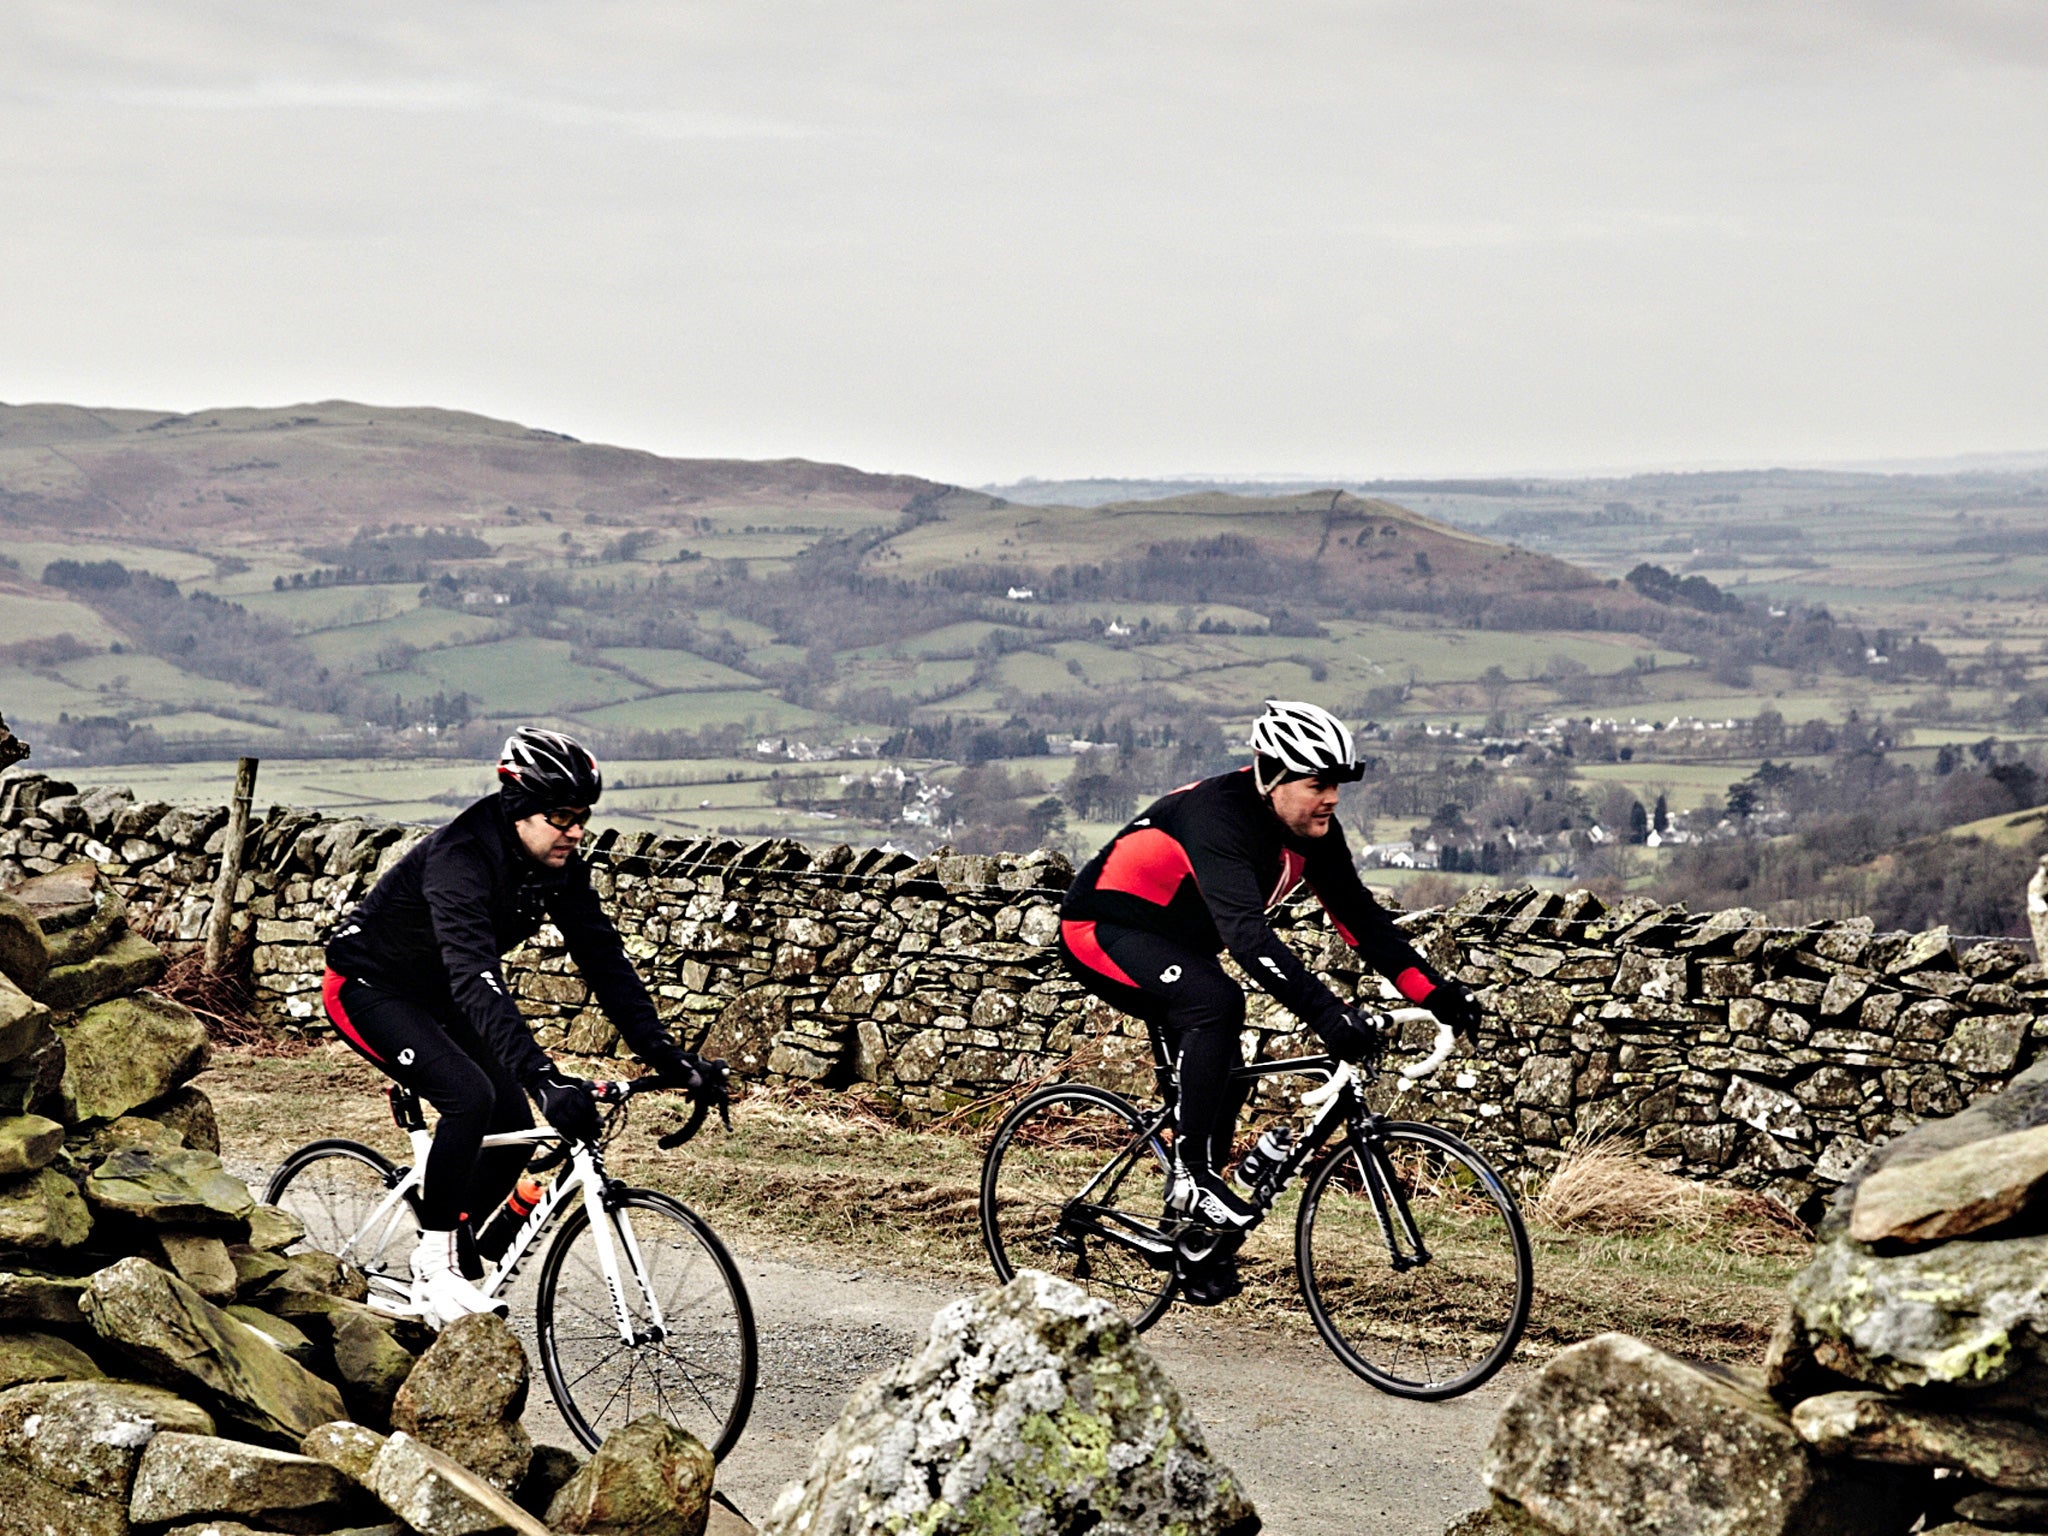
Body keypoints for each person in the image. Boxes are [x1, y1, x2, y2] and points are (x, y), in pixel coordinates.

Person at [1058, 700, 1481, 1302]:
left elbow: (1360, 921)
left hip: (1178, 944)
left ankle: (1192, 1238)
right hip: (1103, 930)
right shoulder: (1219, 818)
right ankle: (1198, 1181)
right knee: (1216, 1005)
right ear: (1271, 777)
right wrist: (1328, 1015)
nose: (1332, 798)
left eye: (1337, 784)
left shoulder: (1313, 832)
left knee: (1226, 1071)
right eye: (1317, 784)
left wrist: (1435, 992)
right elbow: (1248, 937)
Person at [322, 727, 710, 1325]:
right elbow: (475, 975)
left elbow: (604, 960)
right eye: (561, 816)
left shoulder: (555, 865)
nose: (575, 831)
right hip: (371, 988)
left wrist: (667, 1057)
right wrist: (542, 1074)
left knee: (511, 1124)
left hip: (442, 995)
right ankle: (434, 1263)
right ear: (520, 808)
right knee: (469, 1097)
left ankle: (456, 1244)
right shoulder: (461, 858)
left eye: (581, 816)